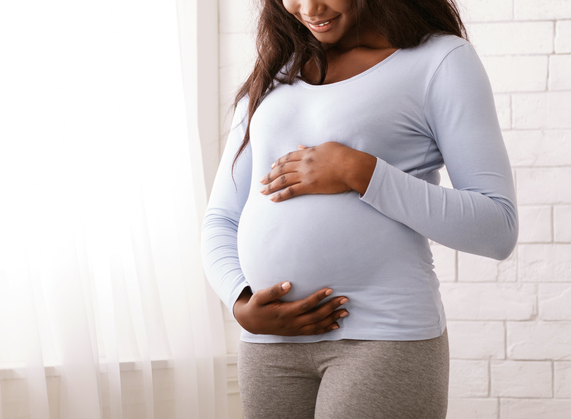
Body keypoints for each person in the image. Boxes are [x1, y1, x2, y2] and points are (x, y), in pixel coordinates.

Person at [199, 0, 518, 417]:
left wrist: (361, 171)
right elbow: (221, 218)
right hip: (270, 347)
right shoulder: (275, 73)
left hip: (384, 338)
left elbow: (497, 227)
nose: (309, 7)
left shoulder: (439, 61)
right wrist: (240, 301)